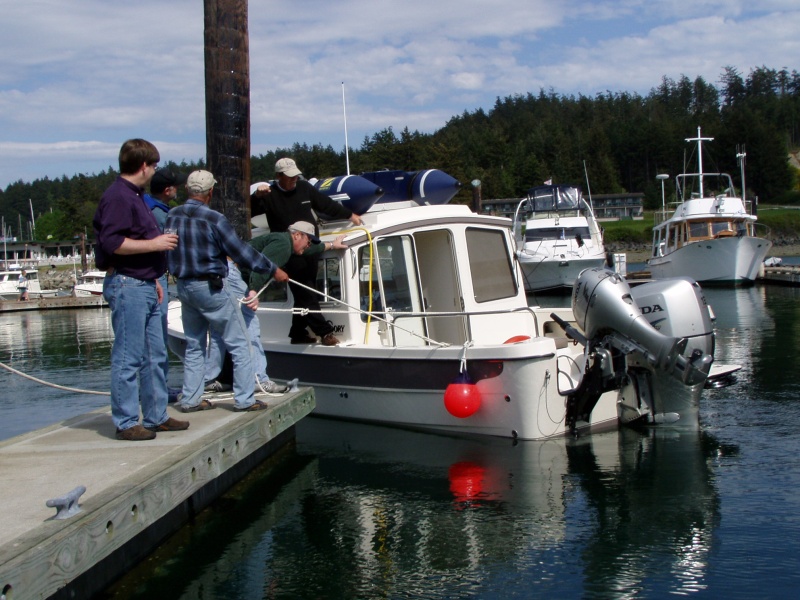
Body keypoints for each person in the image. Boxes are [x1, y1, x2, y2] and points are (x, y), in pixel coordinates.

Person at [166, 170, 289, 413]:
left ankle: (190, 399)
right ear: (210, 192)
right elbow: (241, 252)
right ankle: (245, 400)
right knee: (241, 343)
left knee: (194, 344)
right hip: (210, 286)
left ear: (188, 190)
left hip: (183, 286)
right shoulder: (214, 219)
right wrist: (272, 268)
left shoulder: (172, 215)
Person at [93, 138, 189, 441]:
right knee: (128, 356)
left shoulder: (135, 195)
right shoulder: (119, 197)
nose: (155, 171)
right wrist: (155, 244)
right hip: (127, 283)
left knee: (155, 354)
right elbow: (112, 243)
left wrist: (154, 278)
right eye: (154, 165)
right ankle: (125, 421)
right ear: (144, 166)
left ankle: (156, 414)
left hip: (144, 282)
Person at [203, 221, 347, 393]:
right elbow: (261, 265)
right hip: (233, 274)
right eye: (308, 241)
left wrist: (331, 245)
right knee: (250, 328)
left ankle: (213, 379)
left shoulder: (285, 241)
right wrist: (253, 292)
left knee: (221, 330)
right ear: (297, 235)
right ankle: (259, 379)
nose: (308, 246)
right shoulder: (283, 245)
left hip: (223, 270)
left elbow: (309, 250)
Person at [251, 157, 362, 346]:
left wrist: (350, 215)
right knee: (306, 292)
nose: (294, 179)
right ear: (278, 176)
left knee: (305, 291)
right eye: (289, 176)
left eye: (295, 175)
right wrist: (256, 197)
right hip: (288, 252)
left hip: (310, 248)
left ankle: (298, 333)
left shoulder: (305, 188)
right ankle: (325, 333)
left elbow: (325, 204)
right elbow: (249, 210)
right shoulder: (269, 195)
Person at [145, 169, 188, 403]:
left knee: (154, 339)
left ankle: (156, 388)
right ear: (168, 190)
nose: (178, 190)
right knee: (156, 338)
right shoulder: (158, 214)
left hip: (156, 275)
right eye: (175, 187)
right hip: (156, 277)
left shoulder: (148, 206)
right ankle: (157, 390)